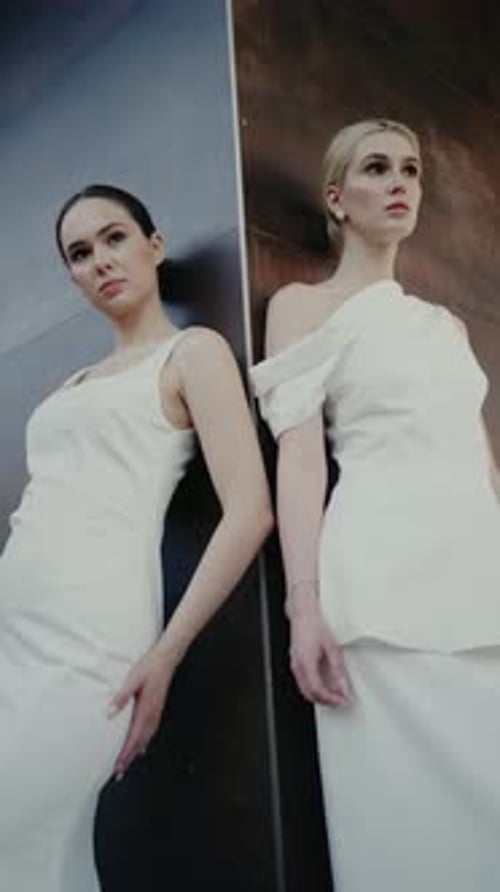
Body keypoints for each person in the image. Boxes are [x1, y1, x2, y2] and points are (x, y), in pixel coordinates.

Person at [0, 184, 273, 892]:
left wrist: (165, 654)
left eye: (115, 238)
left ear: (153, 245)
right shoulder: (68, 387)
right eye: (79, 253)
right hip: (12, 636)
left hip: (91, 640)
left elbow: (250, 510)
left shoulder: (191, 353)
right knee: (36, 860)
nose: (100, 262)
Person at [250, 119, 500, 891]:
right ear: (337, 197)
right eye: (376, 168)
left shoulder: (445, 326)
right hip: (380, 598)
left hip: (478, 589)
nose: (399, 182)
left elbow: (482, 469)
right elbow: (298, 464)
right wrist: (304, 607)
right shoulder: (304, 306)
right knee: (403, 839)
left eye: (411, 170)